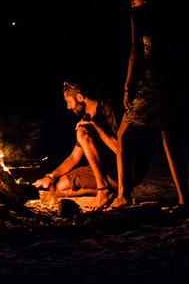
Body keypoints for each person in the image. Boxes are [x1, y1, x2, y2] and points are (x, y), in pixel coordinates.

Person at [105, 0, 189, 214]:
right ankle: (184, 201)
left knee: (123, 134)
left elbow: (136, 50)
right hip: (174, 79)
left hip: (152, 80)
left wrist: (128, 85)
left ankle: (124, 196)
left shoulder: (140, 13)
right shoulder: (172, 12)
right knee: (169, 138)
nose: (130, 0)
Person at [32, 81, 128, 211]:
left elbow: (121, 150)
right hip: (107, 171)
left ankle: (103, 190)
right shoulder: (87, 116)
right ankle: (110, 192)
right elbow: (73, 158)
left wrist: (96, 126)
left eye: (68, 101)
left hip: (125, 172)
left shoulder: (110, 109)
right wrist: (50, 177)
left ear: (80, 97)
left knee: (82, 131)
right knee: (59, 187)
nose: (68, 107)